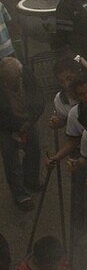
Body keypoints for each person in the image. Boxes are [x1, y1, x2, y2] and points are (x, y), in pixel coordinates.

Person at [0, 57, 43, 210]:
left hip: (28, 119)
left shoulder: (27, 76)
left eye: (12, 80)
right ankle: (20, 194)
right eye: (6, 81)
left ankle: (30, 179)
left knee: (34, 150)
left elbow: (39, 99)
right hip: (6, 126)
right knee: (10, 157)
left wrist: (30, 121)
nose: (10, 84)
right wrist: (16, 127)